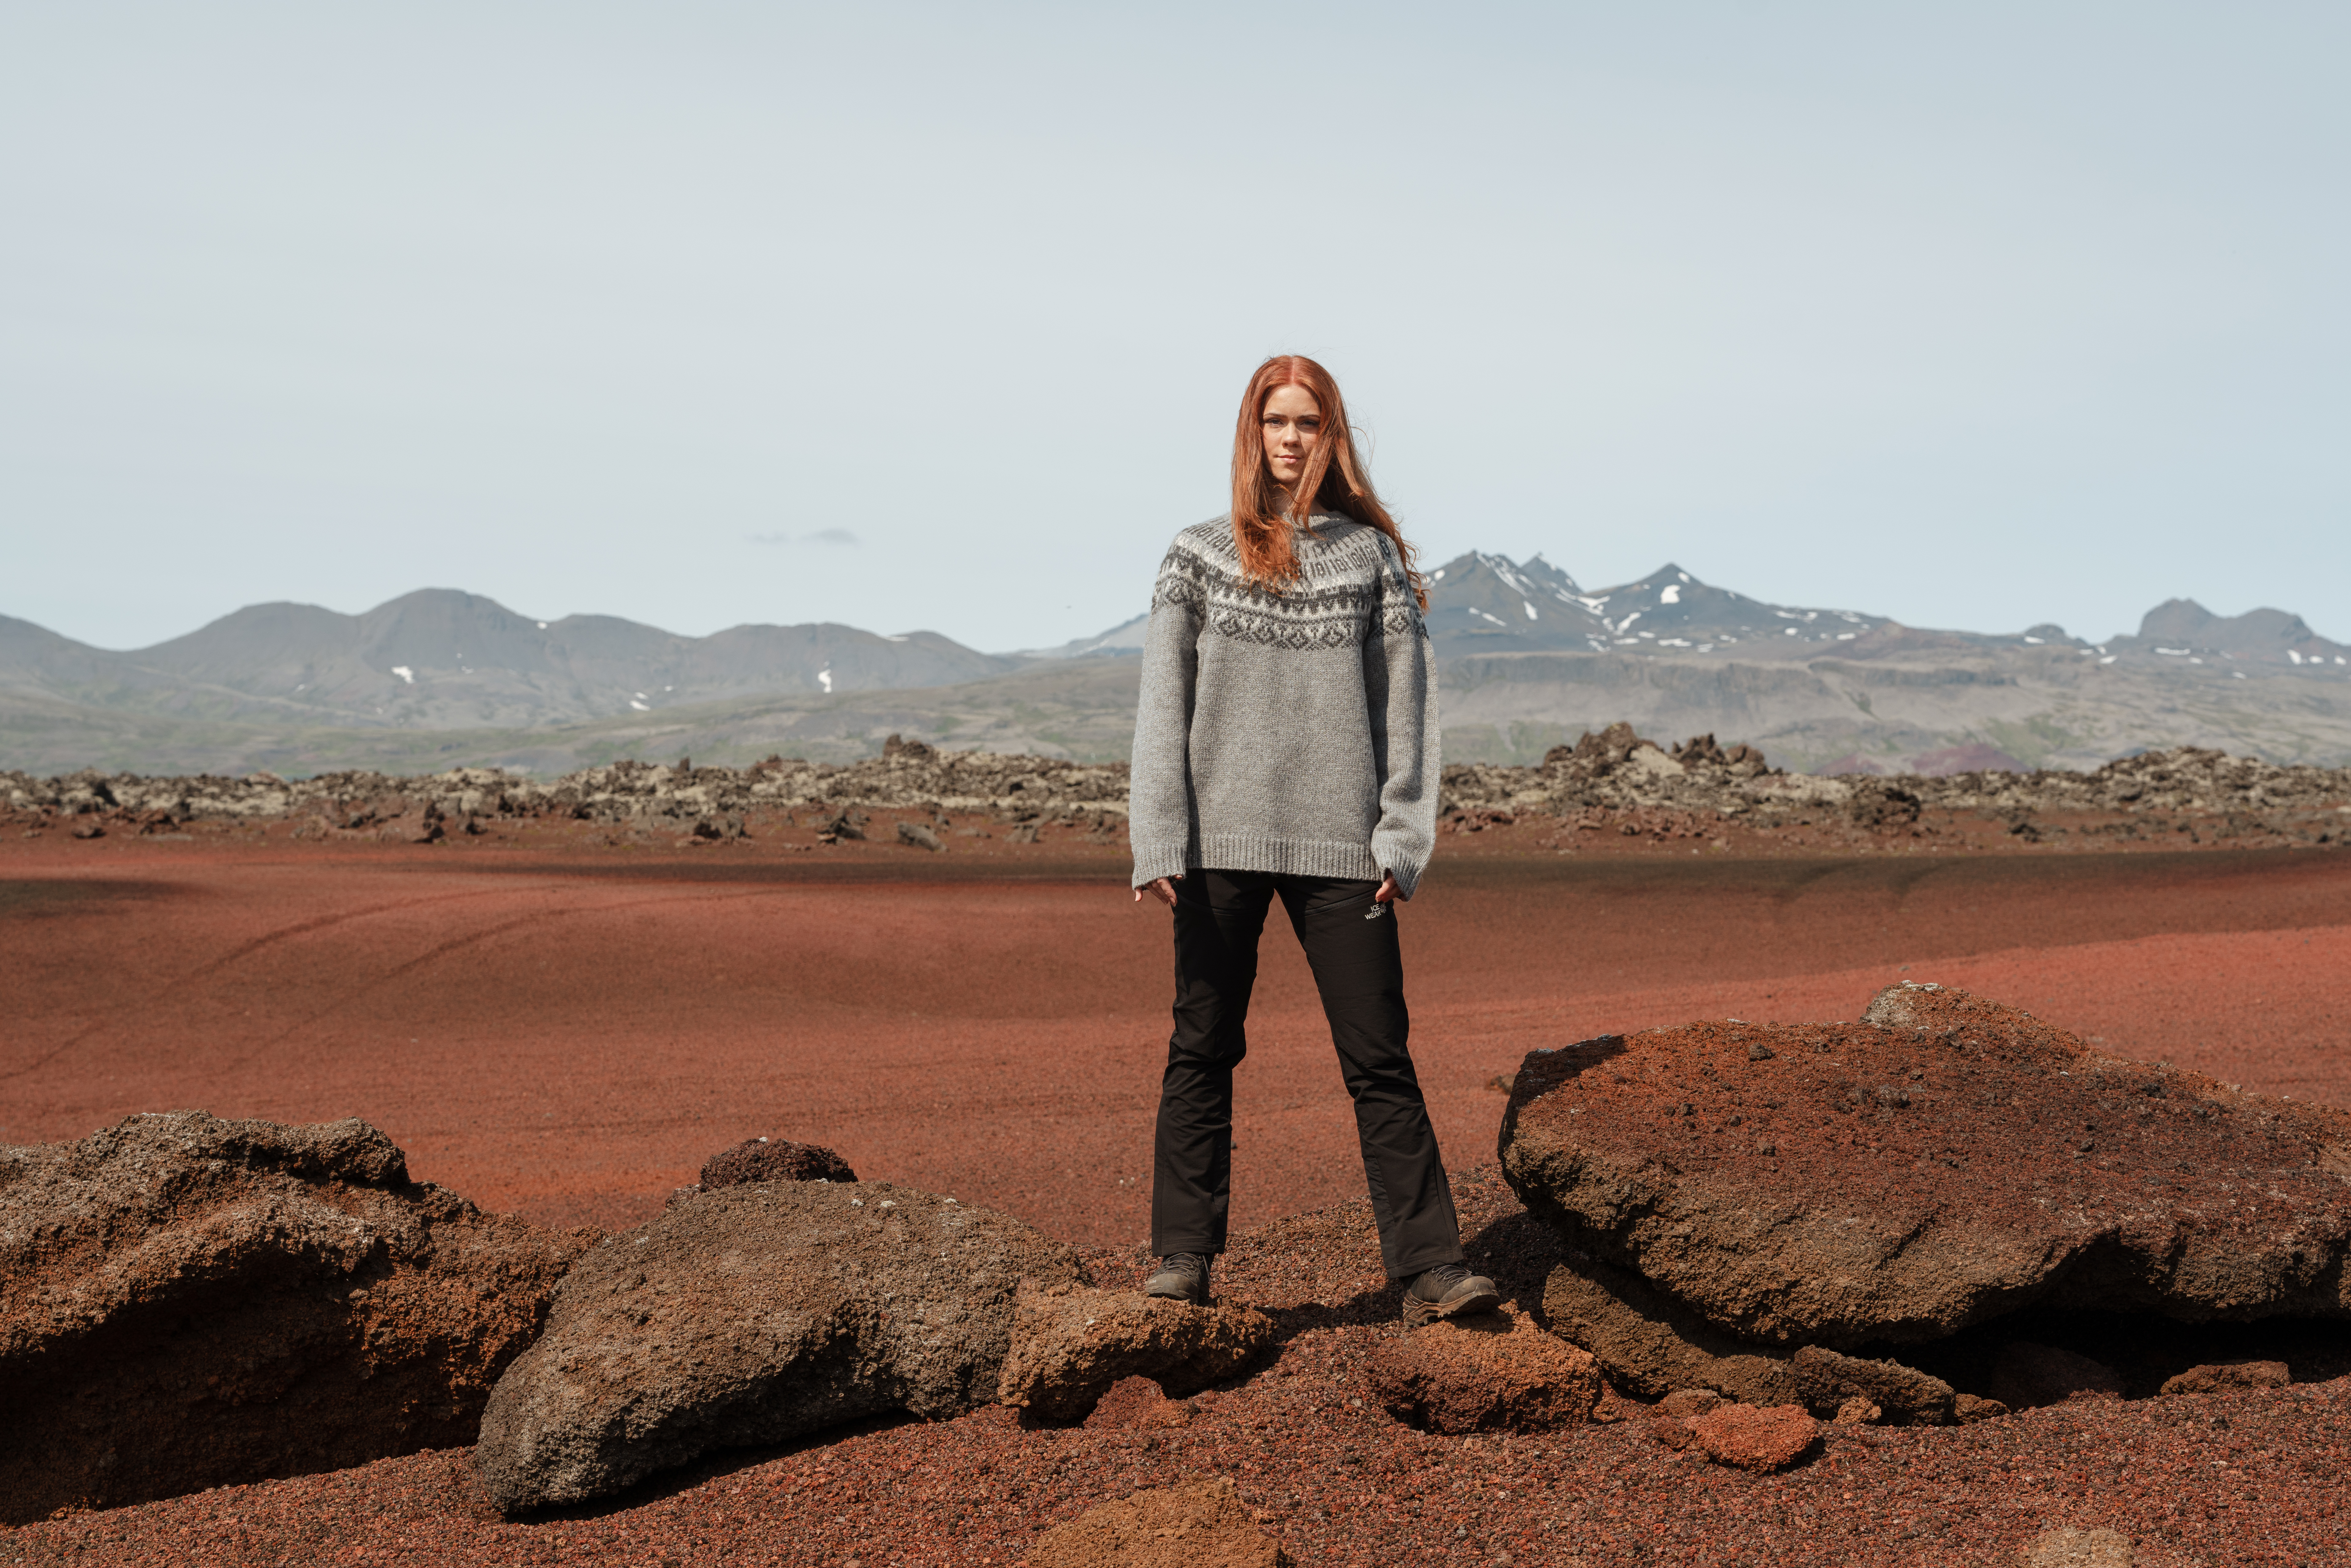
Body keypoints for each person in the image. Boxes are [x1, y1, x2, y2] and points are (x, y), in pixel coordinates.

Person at [1127, 353, 1499, 1326]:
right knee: (1201, 1047)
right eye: (1274, 422)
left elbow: (1406, 711)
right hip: (1219, 845)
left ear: (1330, 435)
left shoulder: (1369, 559)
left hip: (1344, 852)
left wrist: (1402, 837)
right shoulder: (1197, 555)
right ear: (1251, 434)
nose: (1290, 440)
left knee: (1379, 1057)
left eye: (1308, 423)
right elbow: (1162, 707)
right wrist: (1157, 836)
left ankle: (1429, 1269)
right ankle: (1183, 1260)